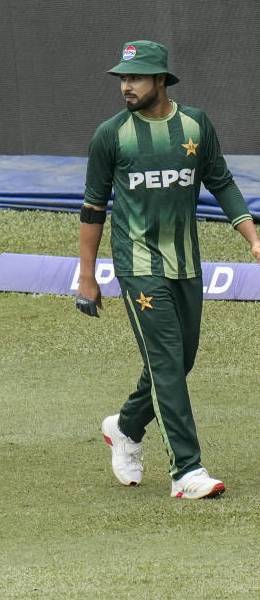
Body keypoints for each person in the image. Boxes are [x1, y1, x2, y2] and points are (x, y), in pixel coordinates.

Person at [77, 40, 260, 499]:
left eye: (135, 77)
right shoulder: (110, 135)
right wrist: (87, 275)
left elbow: (222, 183)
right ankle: (187, 470)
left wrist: (254, 238)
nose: (126, 86)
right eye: (122, 78)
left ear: (161, 80)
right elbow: (93, 209)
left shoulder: (196, 125)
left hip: (185, 263)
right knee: (165, 363)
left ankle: (126, 425)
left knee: (180, 361)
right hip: (136, 265)